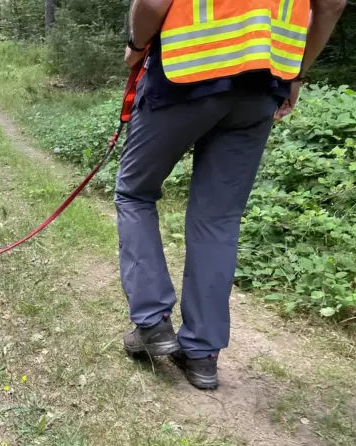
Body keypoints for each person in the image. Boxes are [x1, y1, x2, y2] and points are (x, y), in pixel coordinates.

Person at [118, 0, 346, 389]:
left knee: (135, 193)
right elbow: (332, 4)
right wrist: (297, 73)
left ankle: (153, 323)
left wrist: (136, 47)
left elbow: (153, 2)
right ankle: (202, 354)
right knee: (219, 217)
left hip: (185, 71)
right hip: (263, 82)